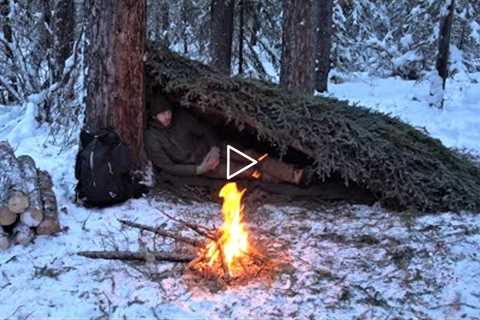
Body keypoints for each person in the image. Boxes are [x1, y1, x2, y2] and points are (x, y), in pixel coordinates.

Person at [144, 94, 308, 185]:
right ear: (153, 116)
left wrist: (214, 148)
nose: (167, 116)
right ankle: (283, 179)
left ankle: (295, 175)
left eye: (168, 112)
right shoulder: (152, 138)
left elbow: (206, 131)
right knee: (248, 171)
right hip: (204, 166)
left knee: (252, 157)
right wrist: (198, 170)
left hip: (215, 148)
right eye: (162, 114)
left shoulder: (182, 119)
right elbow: (169, 166)